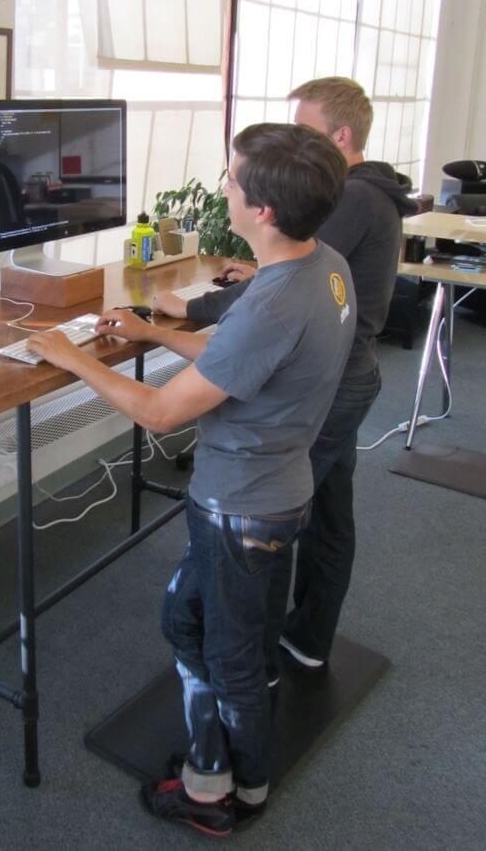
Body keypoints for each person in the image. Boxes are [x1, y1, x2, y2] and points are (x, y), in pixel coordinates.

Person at [27, 123, 355, 837]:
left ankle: (228, 793)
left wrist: (74, 358)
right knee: (199, 624)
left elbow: (159, 413)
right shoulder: (323, 264)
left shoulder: (273, 300)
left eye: (232, 179)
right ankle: (221, 758)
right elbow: (240, 352)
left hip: (241, 508)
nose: (225, 187)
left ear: (261, 210)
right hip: (278, 488)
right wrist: (152, 334)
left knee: (221, 649)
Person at [154, 77, 414, 672]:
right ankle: (304, 639)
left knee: (272, 528)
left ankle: (250, 659)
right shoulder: (363, 200)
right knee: (325, 512)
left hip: (323, 387)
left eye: (304, 130)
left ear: (340, 137)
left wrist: (192, 309)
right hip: (348, 376)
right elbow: (282, 273)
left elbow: (277, 285)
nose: (293, 143)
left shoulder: (350, 200)